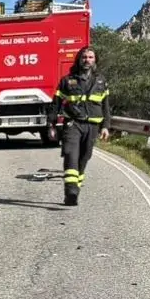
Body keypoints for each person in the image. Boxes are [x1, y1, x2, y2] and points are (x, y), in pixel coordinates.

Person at [53, 45, 112, 206]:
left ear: (95, 60)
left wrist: (106, 126)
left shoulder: (101, 81)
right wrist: (51, 125)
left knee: (84, 157)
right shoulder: (67, 81)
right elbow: (56, 104)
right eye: (84, 57)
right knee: (71, 153)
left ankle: (75, 189)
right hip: (73, 124)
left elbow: (106, 106)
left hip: (92, 126)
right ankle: (70, 188)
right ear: (79, 59)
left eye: (90, 57)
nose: (87, 60)